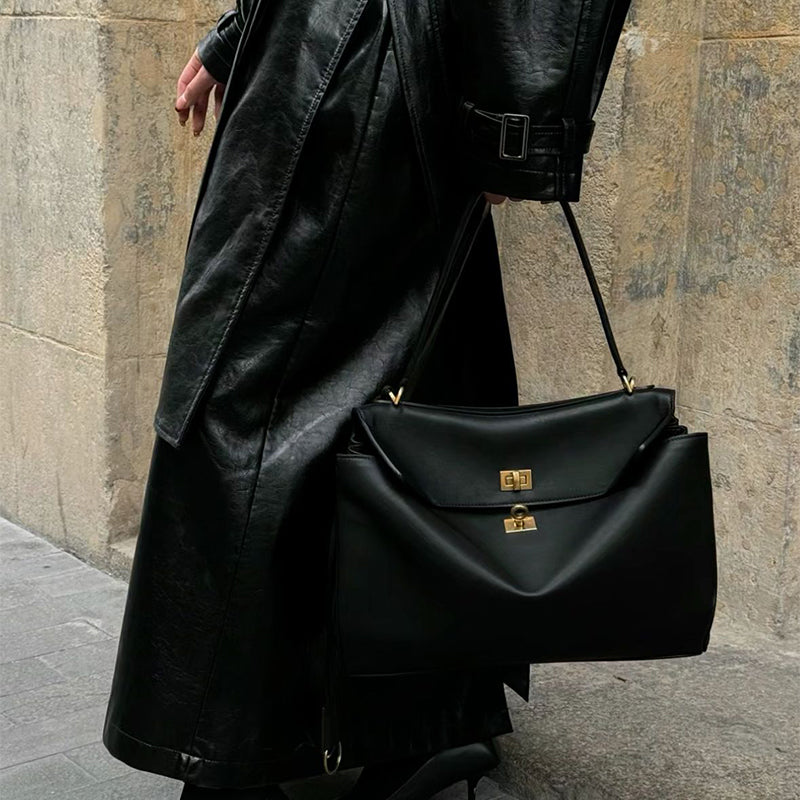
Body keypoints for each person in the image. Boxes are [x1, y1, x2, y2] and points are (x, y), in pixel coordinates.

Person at [101, 0, 630, 798]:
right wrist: (239, 31)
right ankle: (411, 719)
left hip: (371, 70)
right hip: (320, 61)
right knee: (397, 405)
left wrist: (520, 121)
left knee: (254, 408)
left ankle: (255, 752)